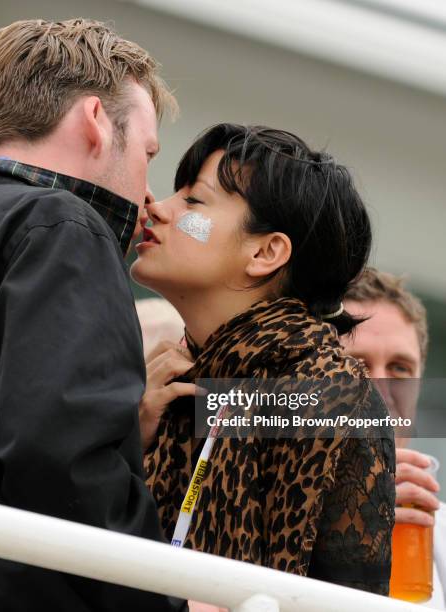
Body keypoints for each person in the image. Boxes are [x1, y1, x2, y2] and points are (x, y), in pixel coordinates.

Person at [0, 19, 185, 612]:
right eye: (147, 152)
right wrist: (170, 597)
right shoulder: (65, 227)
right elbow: (59, 463)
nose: (148, 196)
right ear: (95, 119)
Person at [133, 123, 396, 594]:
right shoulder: (164, 381)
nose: (158, 207)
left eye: (194, 202)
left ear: (266, 251)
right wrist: (127, 438)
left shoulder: (326, 394)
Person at [342, 268, 446, 609]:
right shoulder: (254, 509)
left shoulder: (440, 532)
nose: (381, 389)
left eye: (401, 368)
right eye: (356, 364)